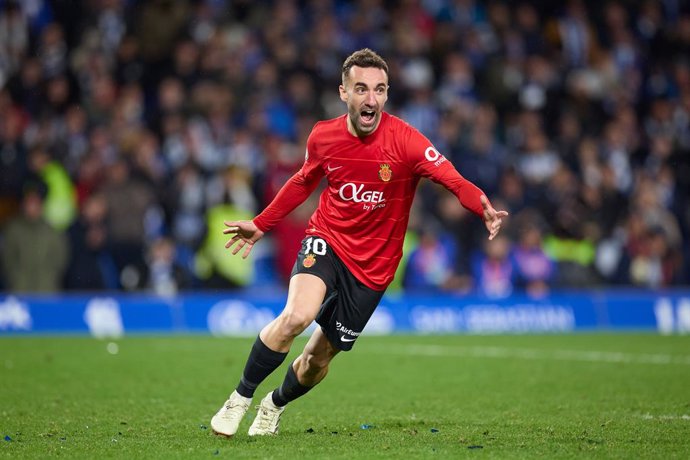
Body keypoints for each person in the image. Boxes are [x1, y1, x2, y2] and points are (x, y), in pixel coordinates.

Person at [210, 49, 508, 437]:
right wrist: (262, 223)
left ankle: (274, 404)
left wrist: (480, 203)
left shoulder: (406, 141)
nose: (372, 99)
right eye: (362, 89)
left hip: (374, 269)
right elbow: (303, 181)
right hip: (327, 240)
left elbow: (452, 178)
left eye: (380, 90)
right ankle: (239, 399)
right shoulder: (323, 136)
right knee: (296, 317)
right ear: (344, 93)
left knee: (316, 360)